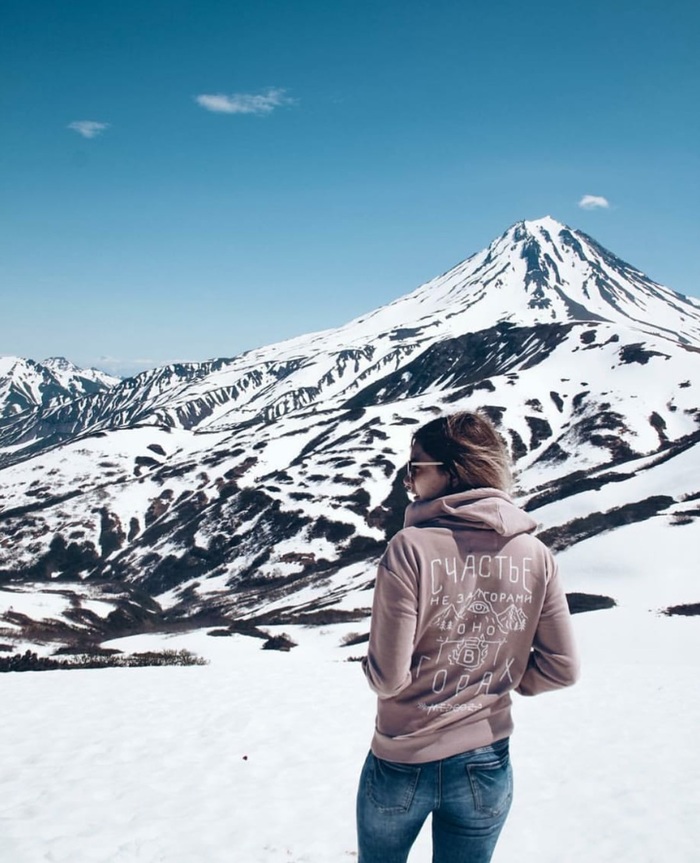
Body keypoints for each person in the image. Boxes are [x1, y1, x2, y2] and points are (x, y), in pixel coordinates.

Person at [357, 411, 579, 863]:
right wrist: (503, 676)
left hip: (402, 757)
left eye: (414, 468)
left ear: (451, 472)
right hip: (487, 759)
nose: (407, 481)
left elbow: (387, 678)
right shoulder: (535, 554)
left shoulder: (410, 547)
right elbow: (563, 668)